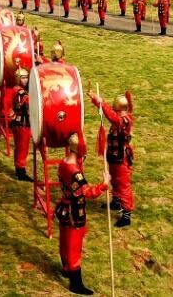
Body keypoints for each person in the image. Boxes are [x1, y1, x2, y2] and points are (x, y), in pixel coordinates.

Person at [56, 132, 109, 295]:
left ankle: (65, 268)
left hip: (65, 209)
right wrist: (104, 184)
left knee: (64, 241)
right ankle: (75, 283)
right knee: (74, 246)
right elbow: (88, 192)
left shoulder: (63, 163)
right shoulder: (75, 173)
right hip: (74, 213)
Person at [89, 90, 133, 228]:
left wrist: (99, 102)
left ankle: (126, 215)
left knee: (123, 184)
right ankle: (116, 201)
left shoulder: (124, 120)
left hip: (121, 158)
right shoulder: (119, 117)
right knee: (114, 179)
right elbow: (112, 116)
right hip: (114, 156)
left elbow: (112, 117)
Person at [10, 68, 33, 181]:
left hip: (17, 122)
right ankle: (21, 171)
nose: (26, 80)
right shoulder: (19, 91)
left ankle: (18, 169)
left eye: (27, 77)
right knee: (22, 148)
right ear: (18, 79)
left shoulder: (16, 89)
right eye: (23, 78)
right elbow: (28, 102)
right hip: (22, 123)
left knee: (19, 147)